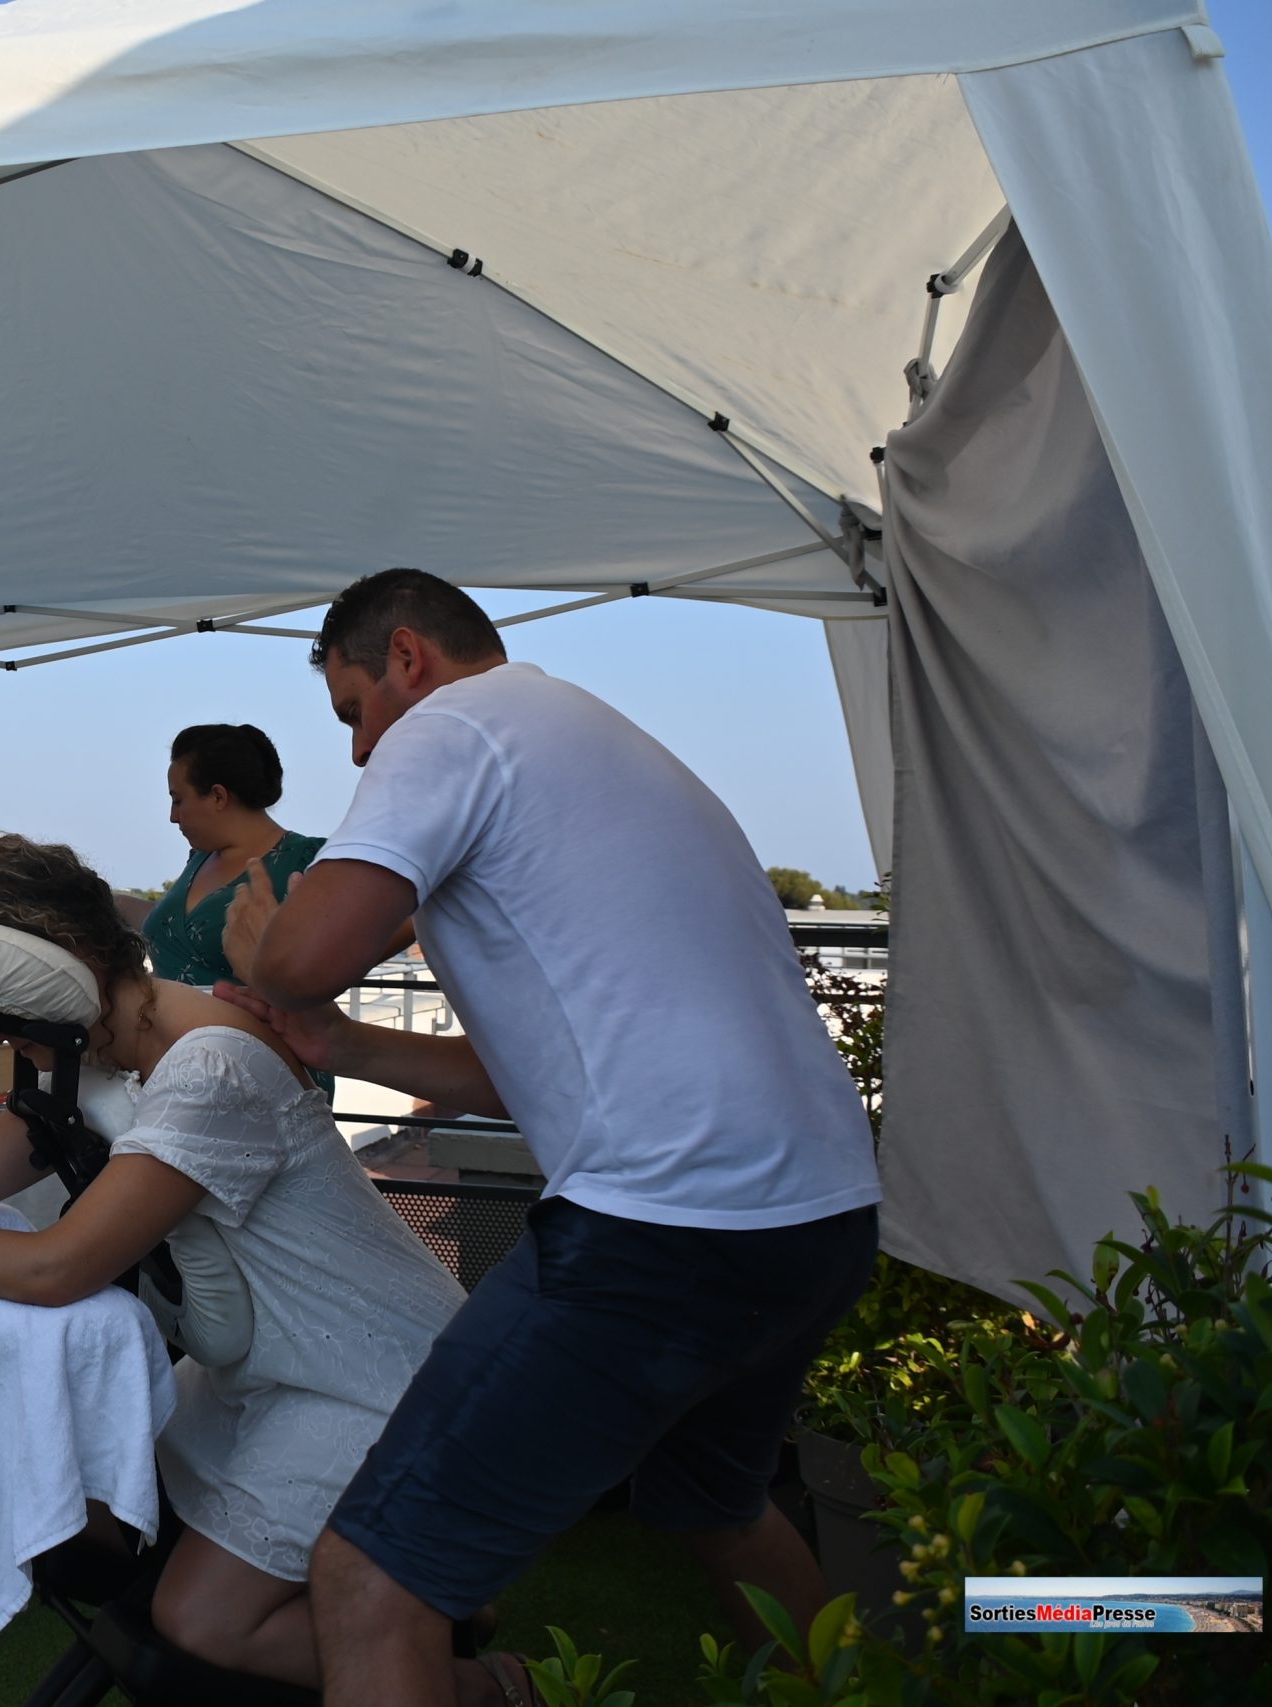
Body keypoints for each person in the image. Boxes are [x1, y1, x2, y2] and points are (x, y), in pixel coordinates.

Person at [218, 568, 881, 1707]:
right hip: (815, 1219)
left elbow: (303, 955)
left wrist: (262, 946)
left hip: (667, 1230)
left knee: (370, 1580)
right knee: (721, 1505)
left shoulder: (452, 727)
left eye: (353, 712)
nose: (361, 752)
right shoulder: (593, 739)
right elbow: (522, 1072)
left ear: (408, 658)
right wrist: (341, 1043)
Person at [0, 834, 463, 1690]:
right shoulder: (110, 1050)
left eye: (7, 1018)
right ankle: (423, 1602)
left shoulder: (211, 1066)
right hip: (270, 1373)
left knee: (201, 1617)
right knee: (106, 1509)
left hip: (375, 1374)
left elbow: (58, 1266)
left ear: (59, 966)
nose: (7, 1044)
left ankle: (471, 1671)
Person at [140, 724, 326, 988]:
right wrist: (103, 899)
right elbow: (173, 928)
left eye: (178, 800)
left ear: (218, 796)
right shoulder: (200, 858)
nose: (173, 816)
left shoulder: (309, 862)